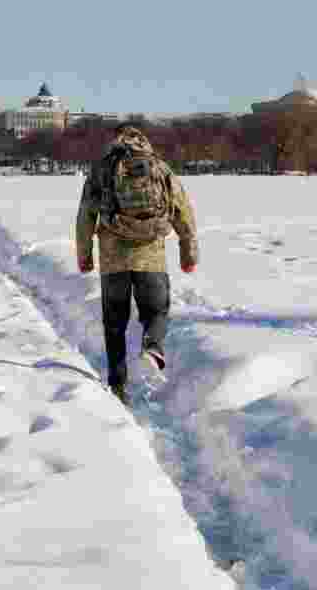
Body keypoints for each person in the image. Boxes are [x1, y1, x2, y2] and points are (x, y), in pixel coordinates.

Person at [75, 123, 199, 405]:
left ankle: (118, 386)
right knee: (156, 311)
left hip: (112, 259)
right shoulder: (160, 167)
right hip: (151, 256)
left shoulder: (102, 169)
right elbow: (183, 211)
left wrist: (84, 256)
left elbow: (85, 215)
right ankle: (152, 344)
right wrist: (188, 253)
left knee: (114, 324)